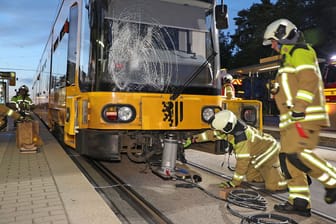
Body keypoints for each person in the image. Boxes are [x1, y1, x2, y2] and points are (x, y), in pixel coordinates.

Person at [263, 18, 336, 217]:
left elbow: (309, 80)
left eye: (274, 42)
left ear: (284, 36)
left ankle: (332, 180)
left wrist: (300, 107)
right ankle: (300, 202)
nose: (273, 46)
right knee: (288, 160)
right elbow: (292, 86)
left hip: (303, 116)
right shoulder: (287, 59)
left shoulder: (300, 52)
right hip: (290, 119)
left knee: (297, 154)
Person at [184, 110, 287, 192]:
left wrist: (234, 183)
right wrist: (193, 139)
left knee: (274, 186)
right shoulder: (229, 127)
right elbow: (211, 134)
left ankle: (291, 180)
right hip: (255, 154)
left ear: (226, 128)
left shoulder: (242, 139)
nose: (217, 132)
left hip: (268, 151)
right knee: (253, 179)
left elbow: (242, 164)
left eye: (219, 130)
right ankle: (271, 173)